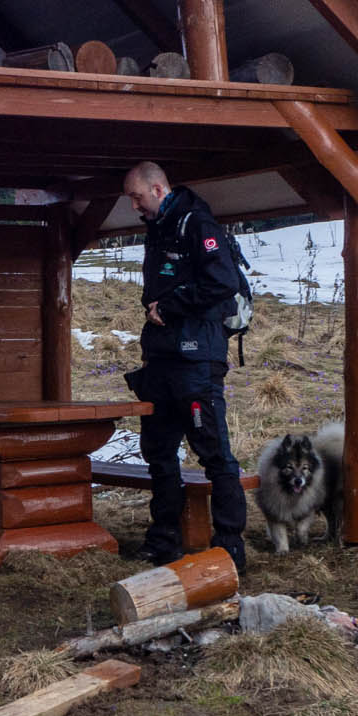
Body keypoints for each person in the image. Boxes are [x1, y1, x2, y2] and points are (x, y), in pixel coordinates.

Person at [121, 161, 249, 571]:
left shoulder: (198, 224)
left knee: (214, 454)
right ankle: (163, 541)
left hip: (197, 360)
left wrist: (171, 306)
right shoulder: (157, 229)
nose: (134, 206)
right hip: (160, 361)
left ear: (158, 188)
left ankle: (229, 547)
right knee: (158, 451)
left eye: (137, 197)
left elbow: (222, 282)